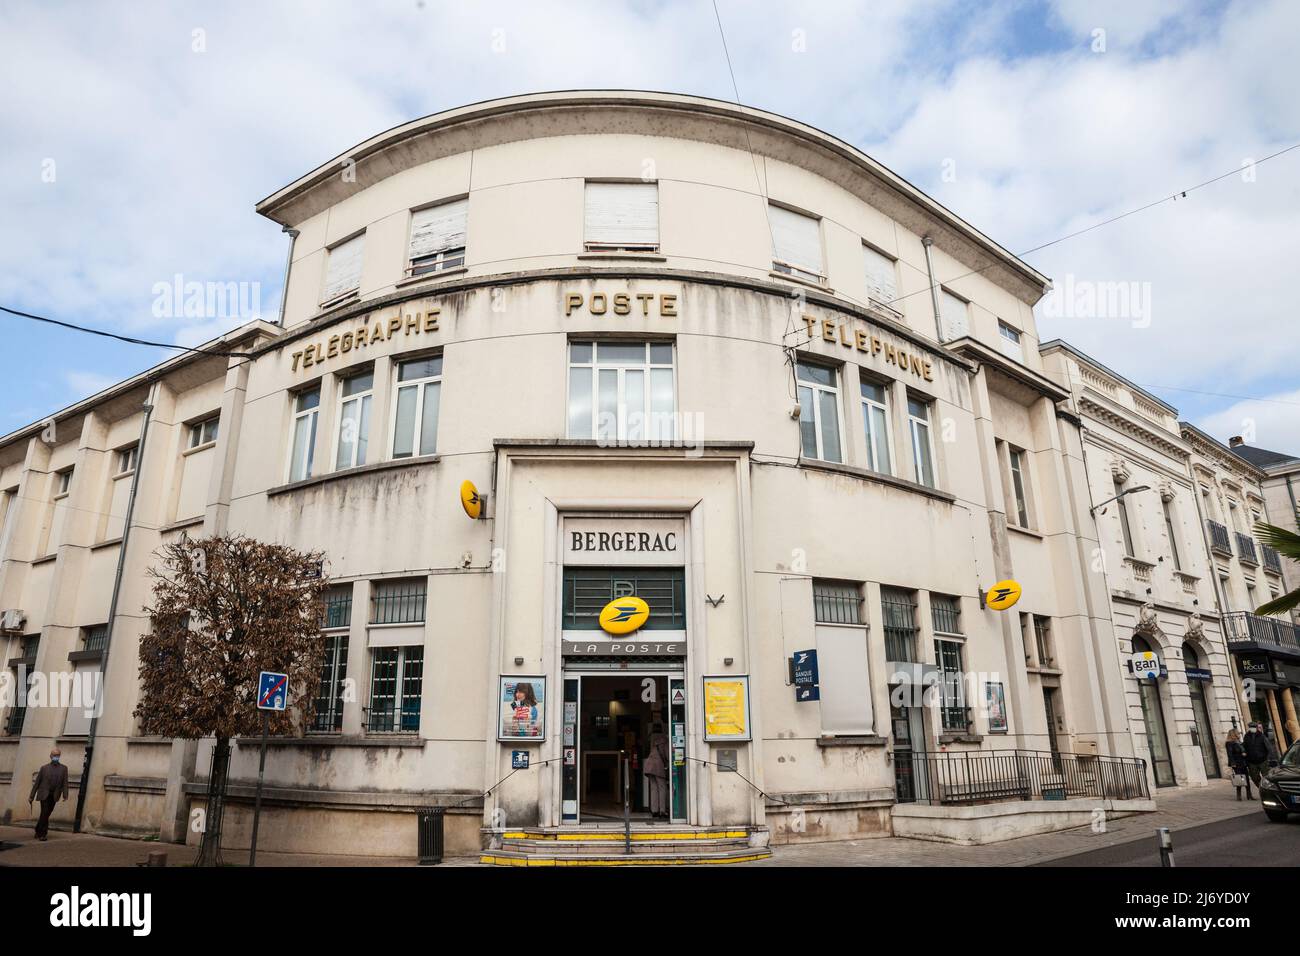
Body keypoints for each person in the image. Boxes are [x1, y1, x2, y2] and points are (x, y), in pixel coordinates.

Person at [29, 748, 69, 842]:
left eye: (58, 755)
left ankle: (38, 829)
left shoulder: (64, 768)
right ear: (51, 756)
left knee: (46, 813)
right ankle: (43, 834)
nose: (56, 757)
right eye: (54, 755)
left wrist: (65, 794)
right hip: (44, 794)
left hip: (54, 795)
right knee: (45, 812)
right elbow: (37, 783)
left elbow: (65, 783)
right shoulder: (44, 768)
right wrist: (31, 796)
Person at [643, 721, 670, 819]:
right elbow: (667, 755)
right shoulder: (665, 740)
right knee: (662, 788)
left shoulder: (654, 741)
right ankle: (662, 811)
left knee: (654, 788)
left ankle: (654, 811)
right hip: (658, 767)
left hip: (649, 766)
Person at [1242, 722, 1271, 797]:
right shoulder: (1246, 736)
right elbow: (1244, 746)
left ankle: (1268, 792)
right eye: (1251, 727)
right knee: (1254, 777)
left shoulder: (1261, 736)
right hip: (1251, 761)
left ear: (1256, 727)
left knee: (1266, 777)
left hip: (1263, 760)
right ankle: (1262, 789)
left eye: (1253, 727)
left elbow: (1268, 747)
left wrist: (1268, 758)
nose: (1252, 728)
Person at [1225, 729, 1251, 800]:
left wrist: (1244, 754)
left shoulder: (1238, 742)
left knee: (1246, 778)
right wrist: (1233, 763)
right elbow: (1230, 754)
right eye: (1237, 733)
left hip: (1243, 762)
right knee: (1239, 778)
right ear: (1234, 734)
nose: (1239, 734)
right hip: (1236, 763)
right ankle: (1239, 795)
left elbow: (1243, 750)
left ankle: (1249, 795)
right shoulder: (1229, 743)